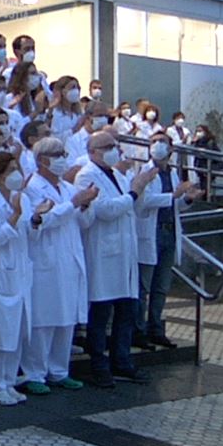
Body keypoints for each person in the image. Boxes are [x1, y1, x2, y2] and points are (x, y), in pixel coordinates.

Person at [74, 131, 157, 388]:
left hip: (125, 254)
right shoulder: (86, 175)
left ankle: (122, 361)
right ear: (93, 151)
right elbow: (106, 211)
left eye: (115, 145)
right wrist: (133, 193)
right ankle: (99, 365)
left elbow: (136, 208)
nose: (115, 150)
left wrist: (140, 189)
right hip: (104, 253)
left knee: (126, 311)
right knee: (101, 313)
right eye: (108, 146)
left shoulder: (118, 174)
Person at [20, 137, 97, 394]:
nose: (63, 157)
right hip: (45, 259)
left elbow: (83, 222)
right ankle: (35, 373)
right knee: (43, 320)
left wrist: (84, 205)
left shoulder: (67, 187)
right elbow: (41, 221)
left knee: (66, 319)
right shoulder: (31, 187)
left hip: (69, 258)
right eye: (57, 154)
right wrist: (74, 204)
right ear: (42, 159)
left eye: (64, 153)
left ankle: (59, 370)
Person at [0, 152, 41, 406]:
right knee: (2, 333)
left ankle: (9, 381)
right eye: (11, 169)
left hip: (21, 273)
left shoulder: (21, 198)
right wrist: (14, 215)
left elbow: (30, 237)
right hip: (0, 274)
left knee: (18, 330)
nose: (17, 174)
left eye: (18, 168)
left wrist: (34, 219)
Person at [135, 132, 200, 349]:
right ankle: (139, 331)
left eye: (162, 142)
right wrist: (173, 195)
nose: (157, 146)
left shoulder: (171, 173)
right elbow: (142, 202)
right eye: (154, 142)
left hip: (169, 232)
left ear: (171, 149)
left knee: (161, 286)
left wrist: (187, 198)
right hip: (151, 232)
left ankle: (156, 329)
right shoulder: (145, 171)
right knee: (143, 286)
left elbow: (175, 204)